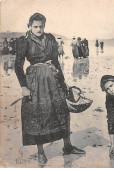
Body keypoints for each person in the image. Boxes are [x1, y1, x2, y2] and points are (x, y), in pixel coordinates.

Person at [15, 13, 85, 165]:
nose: (39, 29)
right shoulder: (24, 41)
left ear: (44, 26)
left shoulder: (51, 39)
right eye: (35, 27)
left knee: (62, 111)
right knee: (38, 114)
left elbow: (56, 62)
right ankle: (41, 153)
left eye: (41, 26)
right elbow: (17, 66)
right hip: (35, 82)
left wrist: (64, 82)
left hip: (53, 79)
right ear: (29, 26)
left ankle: (67, 146)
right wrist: (23, 86)